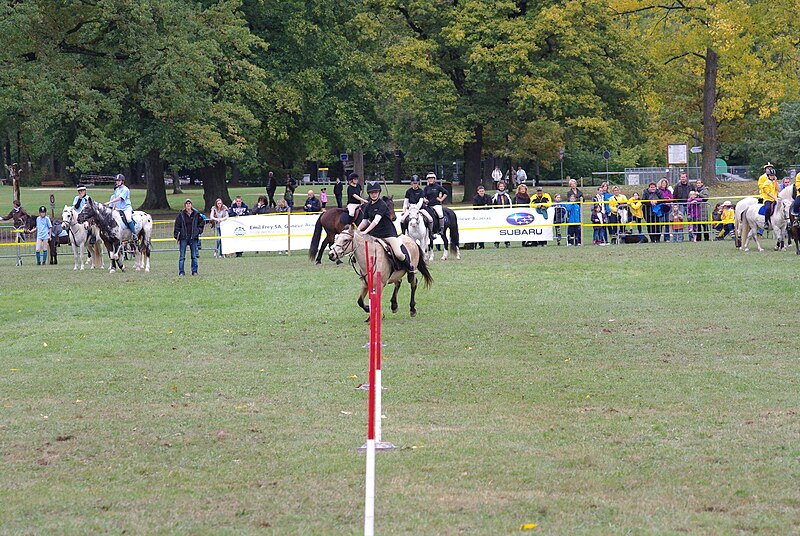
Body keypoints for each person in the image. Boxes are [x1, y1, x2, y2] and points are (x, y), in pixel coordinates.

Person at [357, 181, 414, 274]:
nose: (374, 194)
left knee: (398, 254)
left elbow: (376, 221)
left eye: (375, 192)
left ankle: (410, 268)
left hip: (388, 234)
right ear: (369, 194)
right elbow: (365, 221)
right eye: (372, 193)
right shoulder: (367, 206)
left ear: (379, 192)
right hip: (375, 235)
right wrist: (358, 230)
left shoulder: (382, 204)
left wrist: (365, 231)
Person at [173, 198, 205, 276]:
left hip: (193, 237)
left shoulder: (196, 214)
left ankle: (194, 271)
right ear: (185, 205)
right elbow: (177, 225)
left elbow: (202, 222)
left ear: (191, 205)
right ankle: (181, 272)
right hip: (183, 237)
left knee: (194, 256)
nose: (188, 205)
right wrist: (177, 235)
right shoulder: (181, 215)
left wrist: (198, 231)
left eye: (189, 204)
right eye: (187, 204)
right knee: (182, 256)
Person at [422, 171, 448, 236]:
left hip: (436, 204)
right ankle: (430, 231)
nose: (430, 179)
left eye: (432, 178)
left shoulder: (438, 187)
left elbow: (446, 192)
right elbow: (423, 196)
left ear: (434, 179)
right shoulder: (426, 188)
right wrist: (425, 200)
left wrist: (441, 199)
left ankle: (441, 229)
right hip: (428, 205)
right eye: (429, 178)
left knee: (440, 214)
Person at [470, 184, 491, 249]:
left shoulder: (488, 197)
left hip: (487, 216)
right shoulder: (475, 198)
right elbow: (475, 207)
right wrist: (483, 206)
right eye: (480, 191)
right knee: (478, 230)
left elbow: (490, 205)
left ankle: (482, 245)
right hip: (478, 217)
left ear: (484, 191)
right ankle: (477, 245)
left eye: (482, 191)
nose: (481, 192)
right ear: (478, 192)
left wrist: (485, 207)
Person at [757, 163, 778, 229]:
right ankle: (766, 222)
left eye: (770, 167)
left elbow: (777, 189)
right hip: (766, 196)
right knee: (768, 208)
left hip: (774, 196)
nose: (769, 169)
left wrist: (776, 181)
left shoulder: (774, 181)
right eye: (768, 168)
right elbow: (762, 187)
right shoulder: (763, 178)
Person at [491, 181, 512, 248]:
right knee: (498, 229)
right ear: (498, 187)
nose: (501, 187)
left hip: (506, 214)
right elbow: (492, 205)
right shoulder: (495, 196)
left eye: (502, 186)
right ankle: (496, 243)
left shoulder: (507, 195)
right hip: (498, 215)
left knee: (506, 229)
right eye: (500, 186)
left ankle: (507, 242)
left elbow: (510, 204)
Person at [672, 171, 692, 241]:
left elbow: (694, 194)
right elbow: (674, 195)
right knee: (680, 221)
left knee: (690, 220)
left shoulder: (690, 185)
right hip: (680, 204)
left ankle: (691, 237)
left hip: (689, 204)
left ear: (686, 178)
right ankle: (681, 238)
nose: (683, 178)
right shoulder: (677, 186)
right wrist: (675, 205)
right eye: (681, 177)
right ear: (680, 178)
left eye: (684, 177)